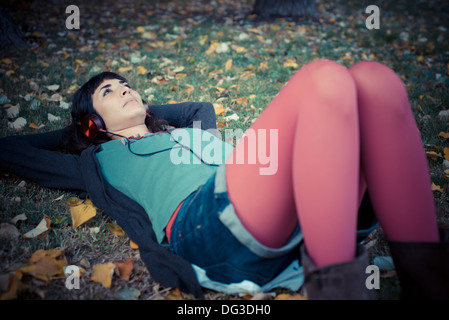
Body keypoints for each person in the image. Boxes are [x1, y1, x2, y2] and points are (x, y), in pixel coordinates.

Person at [1, 59, 448, 299]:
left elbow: (198, 108)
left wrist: (148, 116)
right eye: (109, 91)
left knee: (376, 80)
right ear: (92, 123)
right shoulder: (99, 159)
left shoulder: (189, 131)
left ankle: (427, 280)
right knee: (325, 79)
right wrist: (85, 133)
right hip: (202, 225)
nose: (126, 90)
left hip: (286, 201)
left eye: (127, 84)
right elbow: (11, 149)